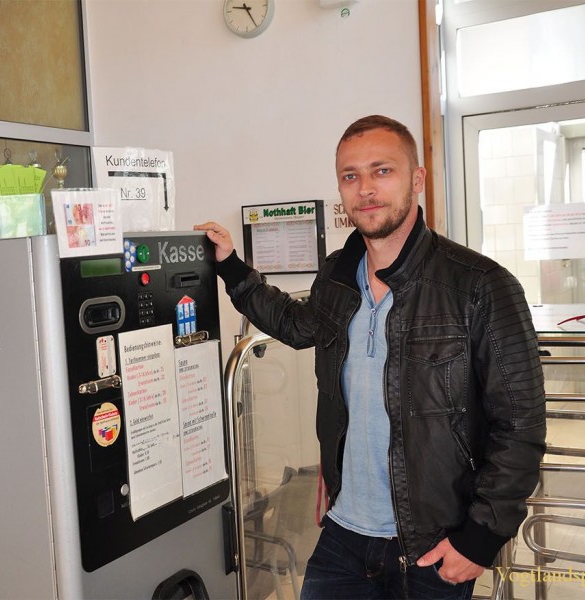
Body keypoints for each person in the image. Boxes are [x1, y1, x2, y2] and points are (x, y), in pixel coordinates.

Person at [195, 115, 546, 599]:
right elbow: (297, 326)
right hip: (344, 535)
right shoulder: (339, 276)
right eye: (350, 175)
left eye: (382, 171)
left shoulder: (481, 285)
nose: (365, 188)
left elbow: (521, 424)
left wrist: (480, 538)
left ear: (416, 179)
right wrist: (233, 268)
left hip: (431, 542)